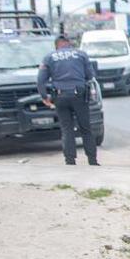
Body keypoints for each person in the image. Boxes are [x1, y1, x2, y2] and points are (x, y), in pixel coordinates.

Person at [37, 34, 99, 166]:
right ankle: (92, 161)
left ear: (56, 45)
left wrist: (44, 96)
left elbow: (40, 80)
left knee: (66, 129)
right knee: (86, 128)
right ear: (69, 43)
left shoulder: (49, 57)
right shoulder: (81, 55)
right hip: (79, 95)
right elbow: (90, 75)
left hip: (60, 96)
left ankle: (70, 161)